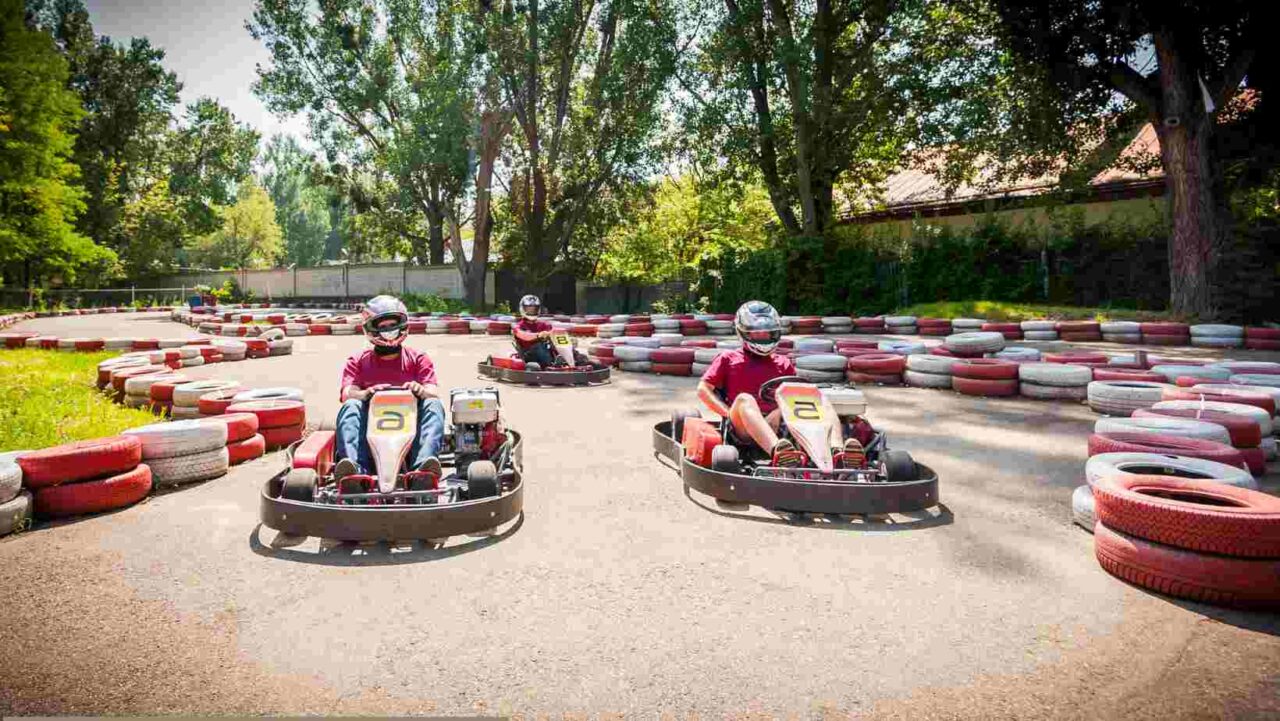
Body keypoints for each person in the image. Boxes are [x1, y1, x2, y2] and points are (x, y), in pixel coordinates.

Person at [696, 300, 864, 468]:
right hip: (742, 425)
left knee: (820, 397)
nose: (763, 337)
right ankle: (779, 453)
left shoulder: (783, 362)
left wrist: (778, 412)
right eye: (757, 333)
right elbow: (703, 390)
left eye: (767, 333)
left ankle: (837, 451)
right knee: (745, 399)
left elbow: (797, 396)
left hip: (781, 421)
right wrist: (728, 414)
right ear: (744, 333)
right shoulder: (728, 358)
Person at [334, 295, 445, 483]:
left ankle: (422, 469)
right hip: (372, 429)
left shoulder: (418, 358)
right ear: (371, 329)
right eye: (383, 327)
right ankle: (355, 472)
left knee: (433, 404)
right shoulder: (358, 361)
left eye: (392, 325)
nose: (389, 331)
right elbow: (347, 393)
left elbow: (433, 391)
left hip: (411, 427)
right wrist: (365, 393)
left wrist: (419, 390)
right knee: (351, 405)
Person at [512, 294, 557, 367]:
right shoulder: (518, 326)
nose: (532, 311)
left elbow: (552, 332)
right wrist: (539, 335)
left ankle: (570, 360)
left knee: (560, 343)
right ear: (523, 309)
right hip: (529, 356)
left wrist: (553, 333)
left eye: (534, 309)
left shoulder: (544, 325)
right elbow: (523, 335)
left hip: (546, 350)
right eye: (529, 309)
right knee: (537, 346)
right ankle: (550, 364)